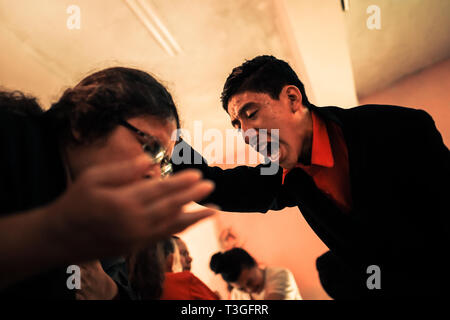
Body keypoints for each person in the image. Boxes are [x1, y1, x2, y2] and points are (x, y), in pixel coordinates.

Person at [173, 55, 450, 299]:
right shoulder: (286, 177)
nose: (246, 135)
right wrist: (167, 137)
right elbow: (216, 188)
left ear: (293, 99)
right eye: (238, 125)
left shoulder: (400, 128)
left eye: (251, 114)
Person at [0, 68, 216, 299]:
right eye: (150, 148)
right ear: (85, 121)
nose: (154, 174)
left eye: (163, 163)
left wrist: (109, 291)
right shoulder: (10, 136)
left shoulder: (103, 224)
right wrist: (58, 230)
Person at [210, 247, 302, 300]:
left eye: (250, 281)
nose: (249, 290)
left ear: (255, 263)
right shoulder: (236, 294)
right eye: (242, 289)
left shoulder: (280, 275)